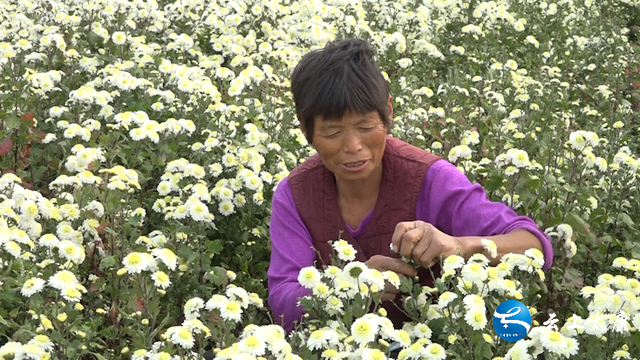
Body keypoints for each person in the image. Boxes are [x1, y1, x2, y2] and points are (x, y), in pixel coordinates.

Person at [267, 38, 554, 333]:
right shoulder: (296, 195)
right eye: (332, 132)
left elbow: (535, 247)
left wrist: (457, 246)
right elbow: (281, 299)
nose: (352, 146)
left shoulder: (430, 179)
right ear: (306, 130)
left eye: (366, 127)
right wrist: (349, 288)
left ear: (388, 112)